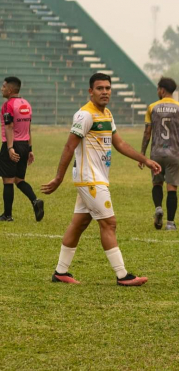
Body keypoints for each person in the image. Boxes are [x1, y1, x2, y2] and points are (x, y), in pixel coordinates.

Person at [41, 73, 161, 286]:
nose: (105, 92)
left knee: (79, 223)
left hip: (96, 178)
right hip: (90, 179)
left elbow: (120, 143)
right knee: (109, 223)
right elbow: (69, 146)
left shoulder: (106, 114)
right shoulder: (85, 115)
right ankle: (123, 275)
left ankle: (60, 272)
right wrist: (59, 177)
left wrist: (145, 160)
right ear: (90, 91)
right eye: (99, 88)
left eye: (107, 88)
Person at [139, 77, 179, 231]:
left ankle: (158, 208)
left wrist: (142, 154)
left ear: (161, 90)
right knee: (172, 187)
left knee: (157, 183)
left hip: (156, 153)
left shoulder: (152, 108)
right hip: (174, 153)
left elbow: (147, 133)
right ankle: (170, 223)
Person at [0, 76, 44, 222]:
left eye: (4, 86)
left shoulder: (8, 105)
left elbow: (9, 126)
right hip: (25, 144)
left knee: (8, 180)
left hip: (12, 144)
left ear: (11, 89)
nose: (2, 88)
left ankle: (7, 215)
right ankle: (35, 200)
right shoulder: (26, 104)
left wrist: (10, 148)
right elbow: (28, 128)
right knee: (19, 179)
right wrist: (30, 149)